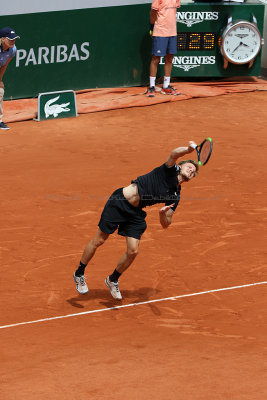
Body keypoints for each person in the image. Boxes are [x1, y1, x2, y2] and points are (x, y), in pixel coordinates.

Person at [73, 141, 199, 300]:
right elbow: (174, 153)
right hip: (119, 202)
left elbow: (167, 223)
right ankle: (79, 273)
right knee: (99, 240)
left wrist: (162, 214)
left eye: (193, 171)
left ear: (192, 178)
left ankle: (113, 279)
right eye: (189, 166)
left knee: (133, 250)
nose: (191, 170)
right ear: (180, 166)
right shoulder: (168, 170)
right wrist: (188, 150)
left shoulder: (175, 196)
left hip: (135, 213)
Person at [147, 0, 181, 98]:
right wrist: (152, 27)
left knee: (169, 59)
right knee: (156, 59)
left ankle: (166, 86)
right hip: (160, 31)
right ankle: (152, 86)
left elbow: (174, 12)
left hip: (172, 32)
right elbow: (153, 13)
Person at [0, 27, 20, 130]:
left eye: (14, 38)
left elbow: (4, 66)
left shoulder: (13, 50)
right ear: (2, 39)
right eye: (10, 39)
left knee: (0, 90)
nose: (13, 41)